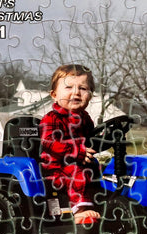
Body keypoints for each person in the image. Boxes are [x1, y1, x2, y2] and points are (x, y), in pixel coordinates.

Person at [40, 64, 101, 223]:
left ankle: (102, 204)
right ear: (54, 94)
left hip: (79, 163)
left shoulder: (85, 118)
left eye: (82, 88)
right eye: (68, 87)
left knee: (102, 172)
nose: (76, 92)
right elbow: (49, 142)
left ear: (90, 95)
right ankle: (80, 210)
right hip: (55, 168)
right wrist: (78, 152)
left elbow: (90, 140)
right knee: (77, 173)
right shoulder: (51, 118)